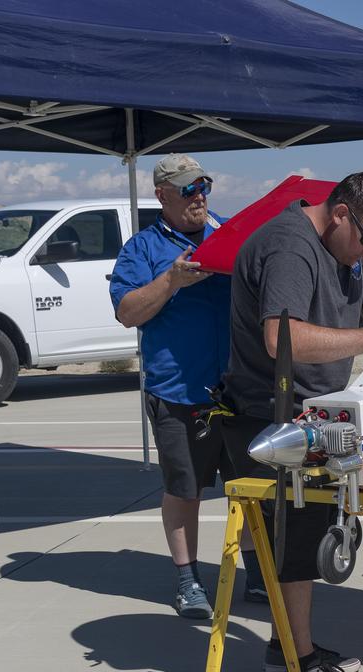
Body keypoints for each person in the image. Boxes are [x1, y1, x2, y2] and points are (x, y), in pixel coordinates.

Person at [222, 171, 363, 672]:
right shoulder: (290, 248)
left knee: (310, 533)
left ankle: (283, 646)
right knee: (296, 540)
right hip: (273, 415)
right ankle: (301, 660)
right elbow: (280, 338)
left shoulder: (351, 251)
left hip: (319, 411)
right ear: (340, 214)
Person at [110, 154, 267, 617]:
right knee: (185, 490)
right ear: (162, 196)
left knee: (253, 486)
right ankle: (187, 579)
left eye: (204, 187)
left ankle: (258, 571)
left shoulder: (231, 236)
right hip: (178, 392)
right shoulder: (141, 249)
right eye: (187, 189)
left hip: (240, 390)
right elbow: (127, 313)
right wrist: (172, 280)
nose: (198, 196)